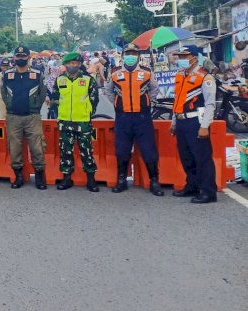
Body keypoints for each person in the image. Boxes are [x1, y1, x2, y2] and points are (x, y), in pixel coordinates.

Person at [105, 43, 163, 195]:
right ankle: (121, 180)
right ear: (123, 55)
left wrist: (146, 102)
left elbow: (154, 89)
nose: (131, 56)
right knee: (122, 150)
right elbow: (109, 91)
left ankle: (154, 181)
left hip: (142, 117)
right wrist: (119, 103)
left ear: (138, 56)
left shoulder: (146, 72)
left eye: (133, 53)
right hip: (123, 118)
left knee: (149, 150)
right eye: (128, 53)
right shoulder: (115, 72)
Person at [170, 45, 218, 203]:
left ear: (194, 57)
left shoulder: (205, 77)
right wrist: (174, 121)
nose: (181, 59)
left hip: (196, 122)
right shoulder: (180, 75)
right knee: (187, 157)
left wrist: (205, 126)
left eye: (184, 56)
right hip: (182, 121)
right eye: (179, 56)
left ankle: (208, 191)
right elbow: (177, 101)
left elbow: (211, 104)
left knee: (202, 158)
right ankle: (192, 186)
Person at [50, 52, 100, 192]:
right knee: (65, 150)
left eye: (77, 63)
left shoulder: (88, 79)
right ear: (65, 65)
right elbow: (55, 97)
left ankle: (91, 179)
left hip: (83, 121)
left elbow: (94, 99)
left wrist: (88, 113)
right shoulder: (60, 80)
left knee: (86, 150)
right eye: (71, 63)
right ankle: (67, 178)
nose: (74, 65)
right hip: (65, 121)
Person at [0, 46, 48, 190]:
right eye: (18, 56)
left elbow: (42, 93)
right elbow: (3, 93)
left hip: (32, 116)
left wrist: (34, 107)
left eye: (23, 56)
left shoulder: (38, 74)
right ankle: (18, 176)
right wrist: (10, 105)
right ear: (14, 57)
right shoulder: (7, 74)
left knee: (37, 147)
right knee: (14, 147)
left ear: (28, 57)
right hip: (13, 117)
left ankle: (40, 176)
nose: (21, 58)